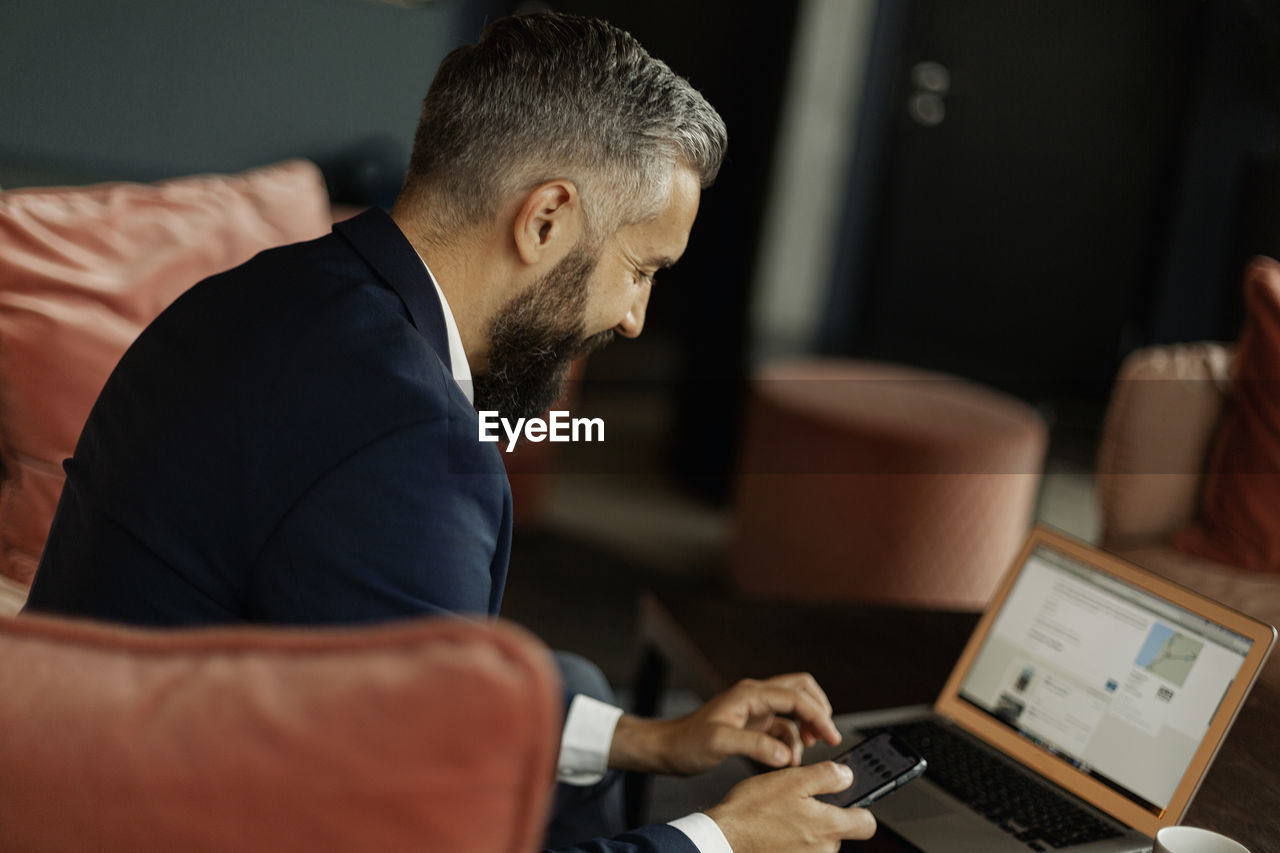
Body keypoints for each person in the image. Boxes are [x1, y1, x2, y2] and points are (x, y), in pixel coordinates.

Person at [23, 12, 876, 853]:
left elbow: (359, 631)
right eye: (641, 269)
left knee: (574, 706)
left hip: (85, 771)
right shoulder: (409, 442)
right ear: (546, 220)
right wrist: (720, 838)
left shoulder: (262, 292)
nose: (634, 320)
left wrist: (651, 739)